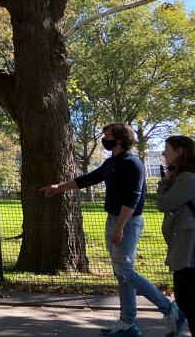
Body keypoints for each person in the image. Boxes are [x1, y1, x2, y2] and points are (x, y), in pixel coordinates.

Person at [40, 123, 184, 337]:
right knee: (121, 275)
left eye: (107, 135)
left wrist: (119, 227)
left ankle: (169, 308)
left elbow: (133, 198)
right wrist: (58, 187)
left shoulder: (133, 163)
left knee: (125, 270)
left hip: (128, 222)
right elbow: (87, 179)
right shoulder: (111, 163)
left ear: (119, 139)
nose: (104, 139)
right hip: (113, 220)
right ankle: (128, 323)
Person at [157, 135, 195, 334]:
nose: (164, 153)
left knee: (186, 295)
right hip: (186, 244)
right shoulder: (185, 177)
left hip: (189, 246)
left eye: (167, 148)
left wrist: (164, 183)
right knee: (185, 295)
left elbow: (164, 204)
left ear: (180, 151)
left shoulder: (187, 178)